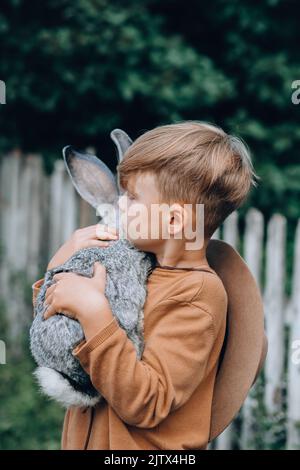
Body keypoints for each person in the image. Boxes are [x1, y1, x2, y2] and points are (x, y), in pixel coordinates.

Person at [32, 121, 260, 450]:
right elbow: (64, 344)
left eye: (134, 198)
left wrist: (94, 310)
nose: (121, 206)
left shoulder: (198, 296)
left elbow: (146, 403)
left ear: (174, 221)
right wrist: (59, 268)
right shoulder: (140, 264)